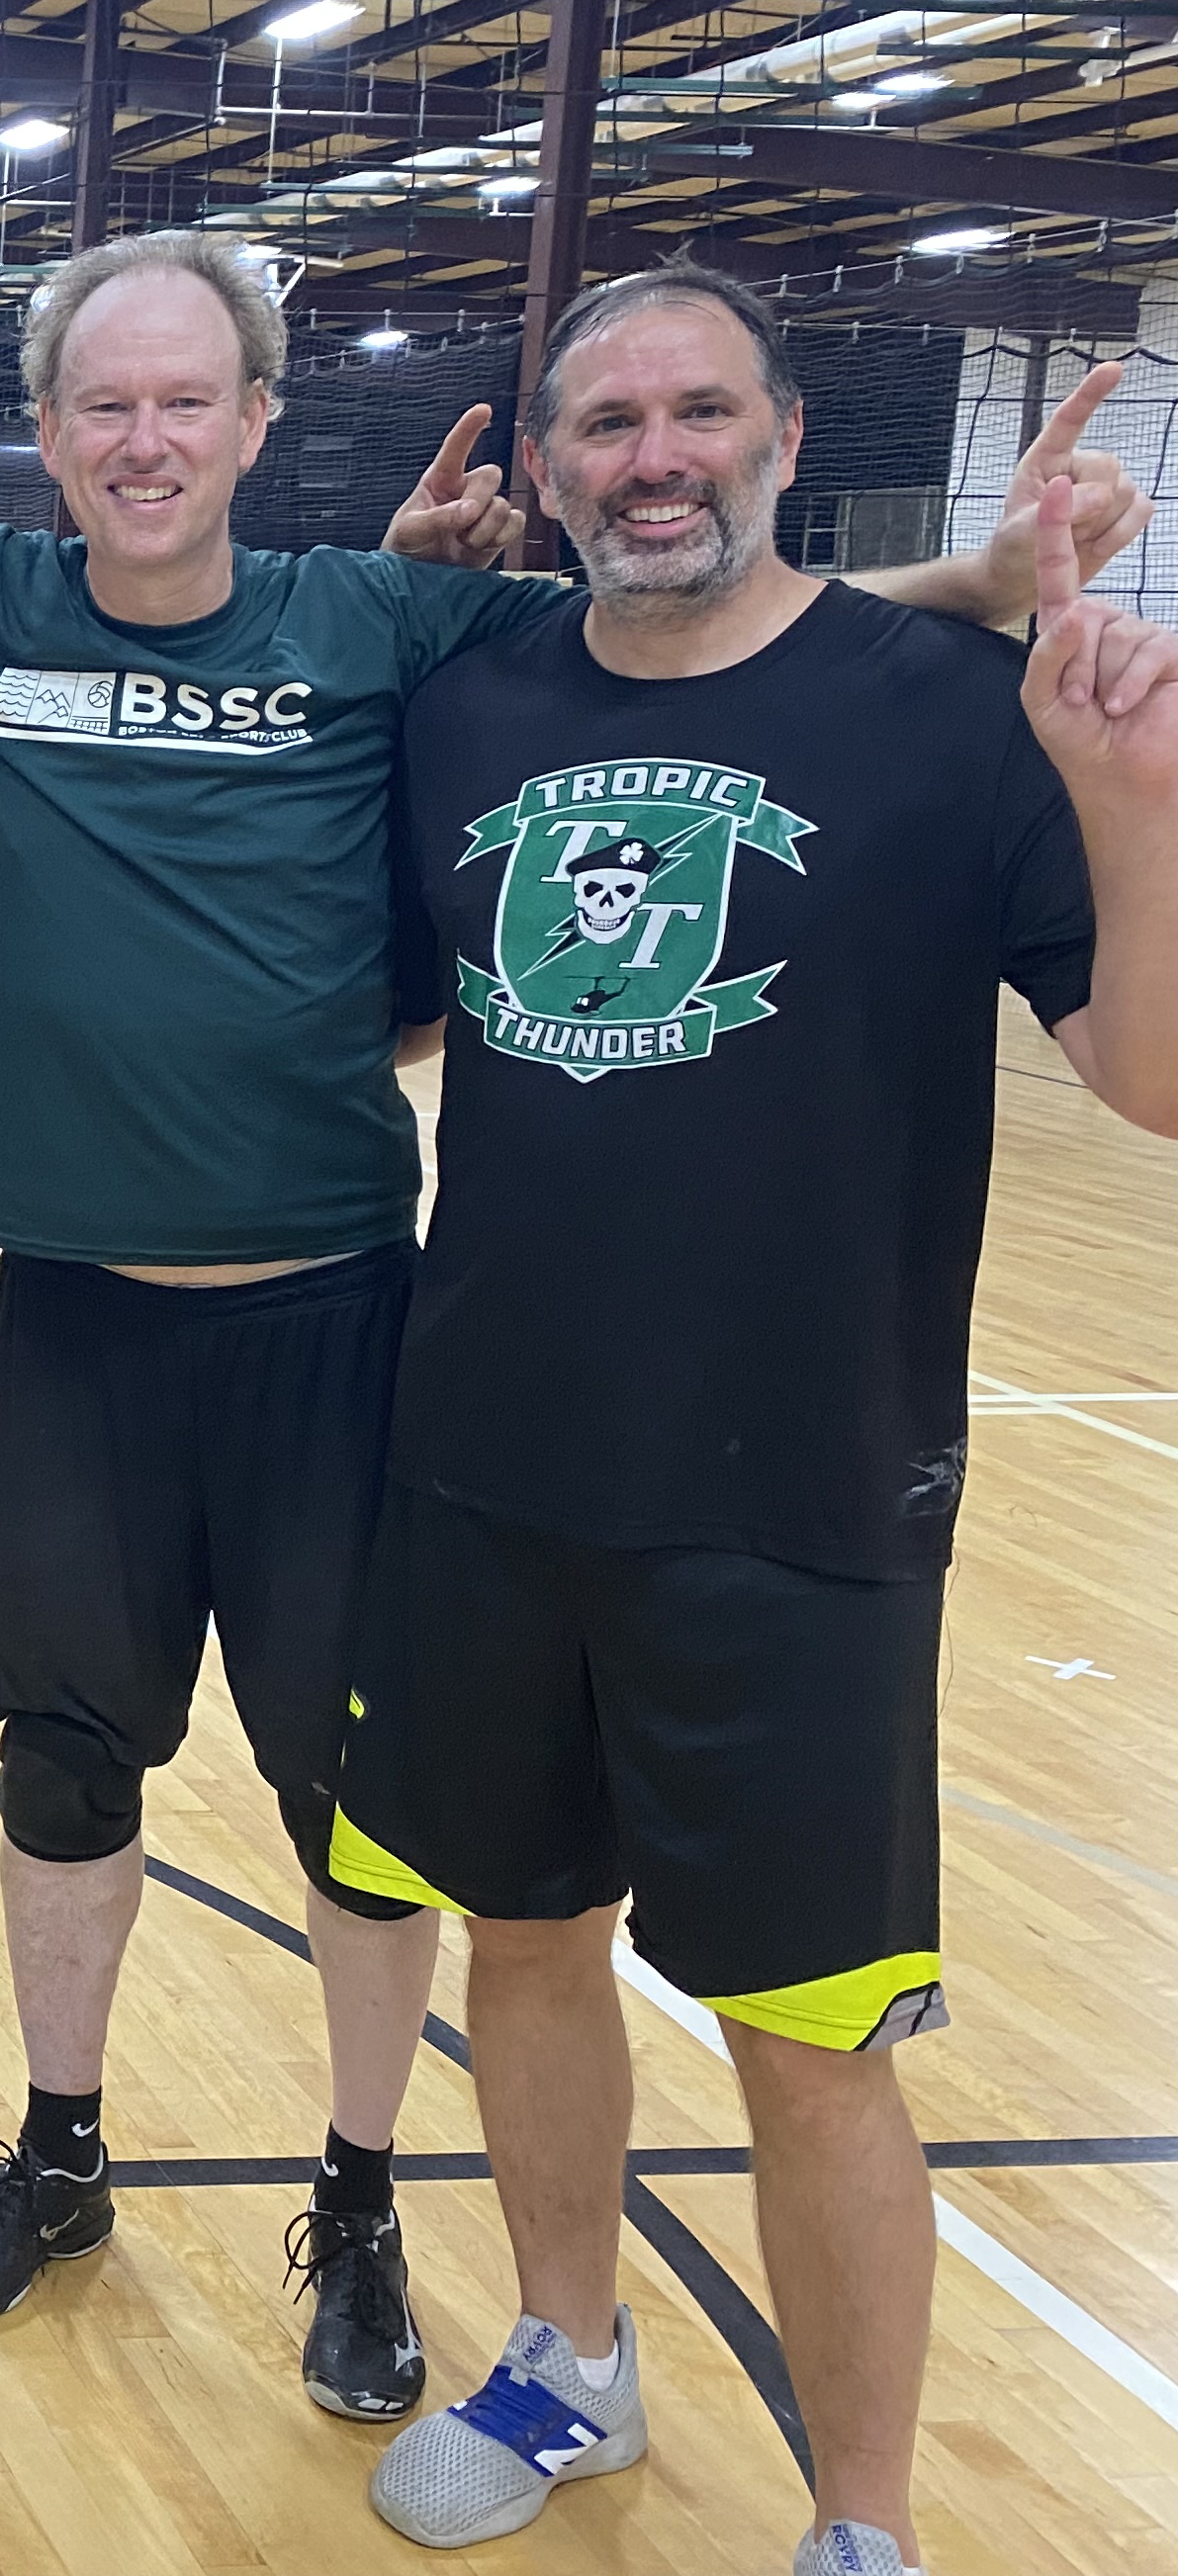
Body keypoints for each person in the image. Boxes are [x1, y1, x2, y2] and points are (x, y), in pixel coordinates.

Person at [0, 230, 1133, 2424]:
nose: (147, 438)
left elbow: (694, 616)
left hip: (333, 1316)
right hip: (65, 1311)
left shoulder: (378, 617)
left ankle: (356, 2199)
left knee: (353, 1810)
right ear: (50, 432)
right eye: (107, 402)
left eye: (188, 398)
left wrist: (977, 585)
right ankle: (52, 2152)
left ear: (258, 420)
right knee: (61, 1765)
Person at [329, 263, 1178, 2576]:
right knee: (524, 1943)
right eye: (607, 426)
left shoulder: (956, 708)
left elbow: (1151, 1077)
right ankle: (571, 2357)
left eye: (699, 413)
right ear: (549, 468)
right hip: (488, 1452)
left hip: (804, 1478)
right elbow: (411, 1007)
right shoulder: (476, 701)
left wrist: (1132, 804)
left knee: (810, 2038)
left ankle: (865, 2519)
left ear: (785, 438)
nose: (656, 460)